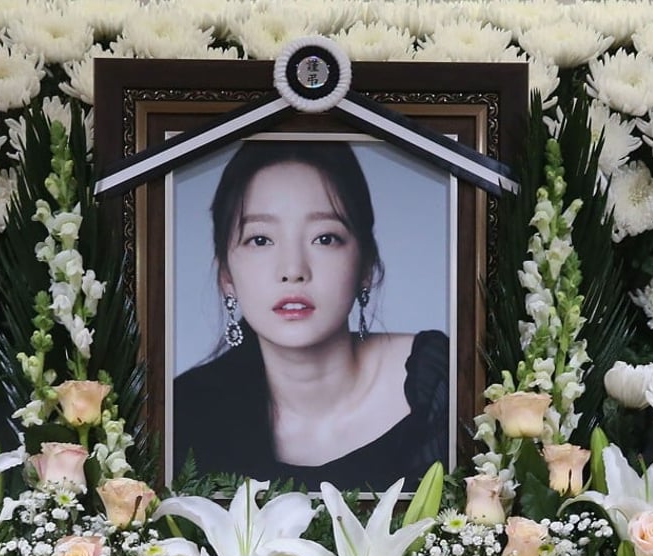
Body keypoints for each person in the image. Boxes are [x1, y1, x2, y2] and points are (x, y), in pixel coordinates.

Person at [173, 140, 449, 491]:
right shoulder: (183, 414)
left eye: (325, 238)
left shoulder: (437, 382)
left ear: (366, 265)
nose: (293, 270)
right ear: (226, 276)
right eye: (260, 240)